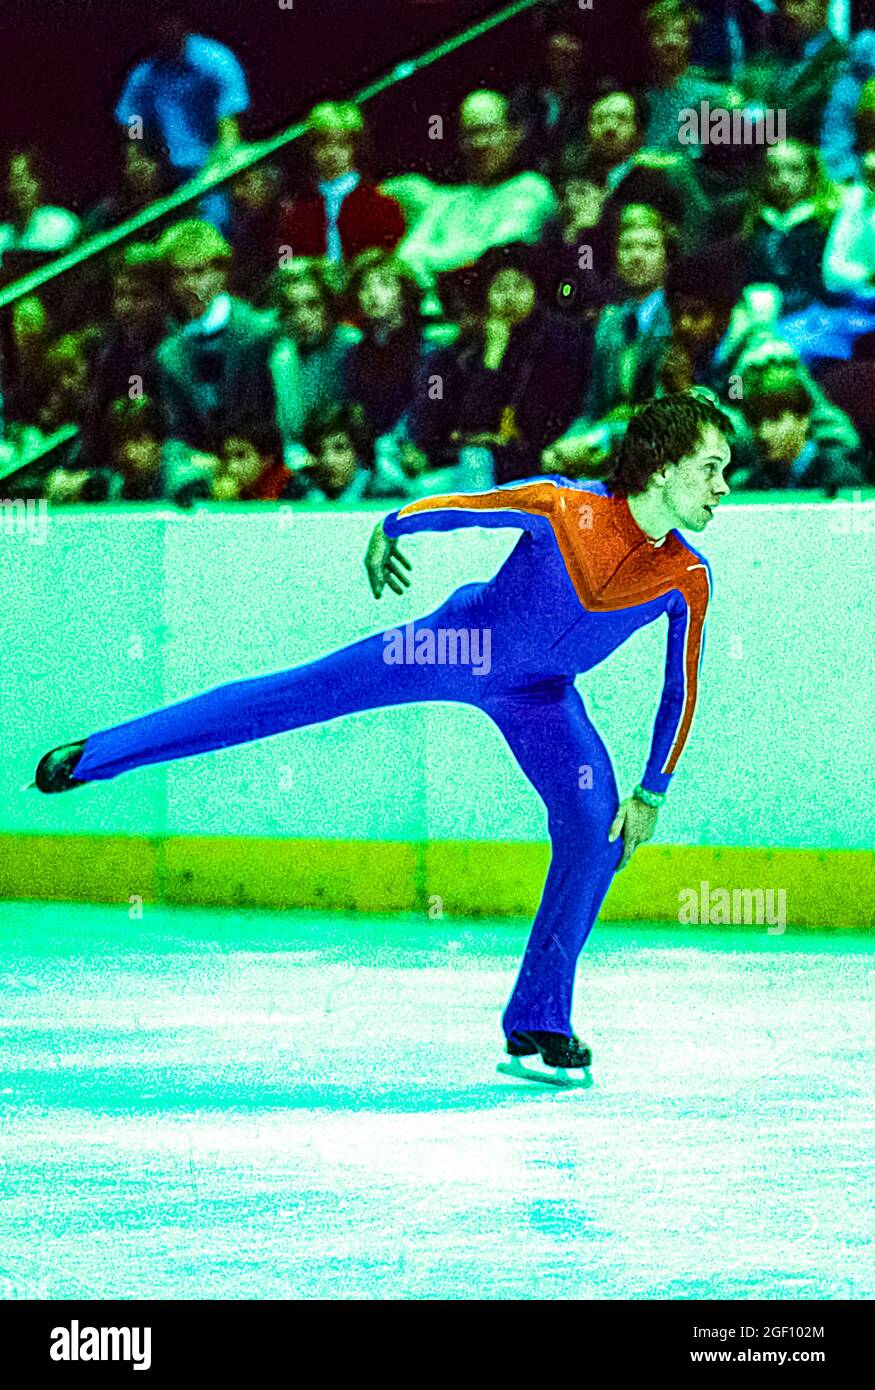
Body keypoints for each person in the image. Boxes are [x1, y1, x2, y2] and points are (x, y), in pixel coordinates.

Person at [33, 391, 731, 1085]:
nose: (722, 486)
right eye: (710, 467)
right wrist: (389, 526)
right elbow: (460, 509)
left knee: (596, 832)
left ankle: (539, 1018)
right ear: (662, 467)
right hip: (455, 646)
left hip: (541, 697)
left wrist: (650, 792)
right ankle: (98, 756)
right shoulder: (563, 506)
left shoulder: (686, 574)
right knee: (295, 695)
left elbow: (681, 689)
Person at [278, 103, 404, 264]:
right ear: (310, 148)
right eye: (322, 144)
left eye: (342, 144)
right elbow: (287, 264)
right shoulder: (297, 213)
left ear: (355, 147)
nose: (332, 153)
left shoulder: (382, 206)